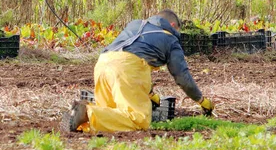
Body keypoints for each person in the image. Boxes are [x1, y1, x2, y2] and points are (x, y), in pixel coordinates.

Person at [61, 9, 214, 133]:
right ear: (173, 25)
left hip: (102, 63)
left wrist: (149, 93)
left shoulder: (135, 25)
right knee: (138, 120)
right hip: (127, 67)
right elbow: (182, 76)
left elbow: (137, 62)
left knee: (110, 113)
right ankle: (87, 113)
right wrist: (201, 100)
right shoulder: (170, 39)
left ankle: (81, 114)